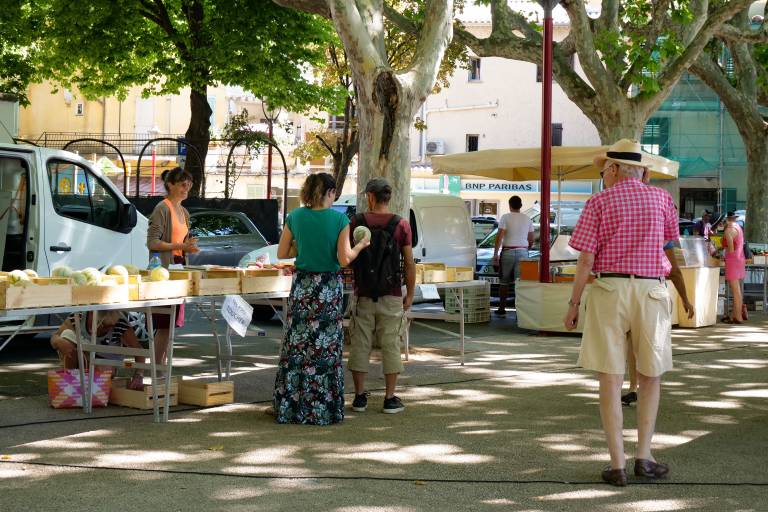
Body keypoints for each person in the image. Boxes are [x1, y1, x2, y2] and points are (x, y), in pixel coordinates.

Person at [563, 139, 679, 487]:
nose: (603, 176)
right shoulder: (662, 199)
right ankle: (644, 455)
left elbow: (585, 258)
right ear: (642, 171)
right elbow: (669, 245)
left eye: (604, 171)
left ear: (614, 169)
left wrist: (573, 305)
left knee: (610, 379)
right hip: (651, 289)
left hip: (610, 290)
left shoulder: (598, 201)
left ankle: (617, 465)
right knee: (650, 375)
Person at [272, 172, 369, 425]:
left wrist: (302, 246)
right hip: (327, 288)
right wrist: (361, 245)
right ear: (330, 192)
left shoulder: (295, 217)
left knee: (298, 346)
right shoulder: (339, 219)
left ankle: (290, 407)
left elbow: (283, 252)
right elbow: (344, 259)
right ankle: (323, 409)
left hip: (303, 286)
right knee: (325, 347)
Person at [348, 178, 416, 414]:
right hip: (392, 293)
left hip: (363, 293)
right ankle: (389, 397)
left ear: (370, 197)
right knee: (391, 344)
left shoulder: (356, 223)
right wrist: (410, 293)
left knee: (360, 342)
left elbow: (348, 257)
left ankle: (359, 397)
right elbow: (408, 263)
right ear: (389, 197)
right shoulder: (401, 225)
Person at [146, 167, 199, 366]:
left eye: (189, 184)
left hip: (178, 268)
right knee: (163, 323)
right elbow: (152, 242)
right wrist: (181, 246)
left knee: (171, 323)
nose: (187, 188)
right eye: (182, 184)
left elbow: (183, 243)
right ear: (170, 185)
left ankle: (160, 368)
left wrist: (189, 248)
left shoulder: (184, 212)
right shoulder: (162, 208)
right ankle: (156, 369)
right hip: (162, 271)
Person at [50, 311, 147, 390]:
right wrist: (59, 341)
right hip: (82, 358)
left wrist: (138, 376)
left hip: (104, 362)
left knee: (103, 369)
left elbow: (139, 351)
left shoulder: (120, 324)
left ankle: (81, 384)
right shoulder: (78, 316)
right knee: (66, 336)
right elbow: (55, 336)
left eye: (110, 326)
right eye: (103, 324)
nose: (106, 329)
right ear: (92, 313)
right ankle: (71, 380)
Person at [492, 195, 534, 316]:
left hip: (508, 252)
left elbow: (499, 236)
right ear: (520, 205)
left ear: (510, 205)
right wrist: (525, 248)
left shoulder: (505, 217)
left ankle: (501, 308)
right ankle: (519, 311)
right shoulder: (527, 219)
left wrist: (496, 254)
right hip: (523, 252)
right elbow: (531, 239)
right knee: (519, 283)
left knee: (504, 282)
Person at [722, 211, 746, 324]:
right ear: (734, 218)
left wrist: (723, 253)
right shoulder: (739, 227)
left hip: (732, 260)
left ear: (727, 220)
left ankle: (737, 317)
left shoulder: (728, 230)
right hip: (740, 258)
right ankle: (735, 315)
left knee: (735, 290)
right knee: (737, 291)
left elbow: (730, 249)